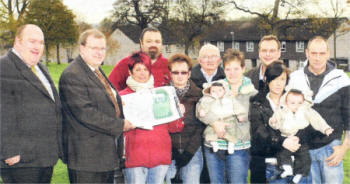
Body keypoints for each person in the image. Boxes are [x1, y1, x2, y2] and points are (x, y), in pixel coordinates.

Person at [59, 29, 134, 183]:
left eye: (102, 48)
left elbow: (103, 101)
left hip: (103, 156)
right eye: (94, 48)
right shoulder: (73, 74)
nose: (99, 53)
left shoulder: (96, 70)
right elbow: (86, 113)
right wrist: (120, 125)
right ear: (82, 49)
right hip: (86, 158)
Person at [0, 24, 63, 183]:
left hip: (43, 156)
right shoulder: (4, 67)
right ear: (18, 42)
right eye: (32, 41)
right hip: (20, 160)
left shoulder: (41, 68)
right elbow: (3, 112)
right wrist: (10, 151)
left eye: (41, 43)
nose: (37, 47)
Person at [287, 36, 350, 184]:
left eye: (322, 53)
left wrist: (344, 147)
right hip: (303, 149)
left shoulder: (340, 79)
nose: (317, 58)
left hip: (331, 148)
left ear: (328, 54)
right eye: (314, 53)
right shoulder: (295, 78)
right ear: (307, 53)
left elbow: (349, 116)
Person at [119, 52, 184, 184]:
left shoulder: (161, 94)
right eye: (138, 69)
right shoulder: (121, 97)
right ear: (130, 72)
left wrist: (178, 113)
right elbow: (115, 127)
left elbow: (174, 128)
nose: (142, 73)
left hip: (160, 155)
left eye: (145, 69)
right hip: (135, 157)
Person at [198, 49, 257, 184]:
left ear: (243, 68)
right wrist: (214, 122)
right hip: (214, 145)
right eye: (228, 69)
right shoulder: (216, 87)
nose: (232, 73)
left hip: (239, 146)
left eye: (236, 68)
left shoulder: (252, 92)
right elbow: (201, 108)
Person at [249, 61, 310, 184]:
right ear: (267, 80)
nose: (278, 83)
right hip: (270, 164)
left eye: (282, 79)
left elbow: (306, 124)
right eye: (274, 79)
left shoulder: (295, 100)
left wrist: (296, 139)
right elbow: (258, 132)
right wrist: (283, 141)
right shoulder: (257, 102)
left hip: (297, 163)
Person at [269, 87, 334, 183]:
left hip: (301, 138)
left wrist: (326, 128)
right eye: (293, 103)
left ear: (303, 102)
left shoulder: (306, 111)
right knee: (282, 153)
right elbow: (275, 121)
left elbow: (317, 120)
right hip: (286, 137)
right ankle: (287, 168)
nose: (296, 106)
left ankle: (299, 174)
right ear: (286, 102)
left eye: (300, 103)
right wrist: (274, 122)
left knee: (304, 156)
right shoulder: (282, 111)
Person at [165, 53, 205, 184]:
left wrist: (189, 152)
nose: (180, 76)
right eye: (176, 72)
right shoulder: (163, 95)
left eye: (183, 72)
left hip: (192, 151)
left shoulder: (199, 94)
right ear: (170, 73)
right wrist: (172, 149)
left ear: (189, 73)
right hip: (169, 151)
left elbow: (201, 126)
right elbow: (161, 125)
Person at [109, 27, 170, 91]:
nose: (153, 45)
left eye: (157, 41)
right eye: (149, 41)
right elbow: (109, 89)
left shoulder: (169, 65)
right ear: (141, 43)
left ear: (162, 43)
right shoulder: (126, 63)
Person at [197, 81, 246, 154]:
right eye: (213, 91)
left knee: (232, 130)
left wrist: (240, 115)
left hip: (229, 119)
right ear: (209, 92)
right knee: (209, 131)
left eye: (220, 90)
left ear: (225, 90)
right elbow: (203, 106)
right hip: (215, 120)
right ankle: (213, 142)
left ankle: (231, 143)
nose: (216, 92)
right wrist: (202, 111)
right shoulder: (207, 99)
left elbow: (237, 107)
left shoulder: (230, 99)